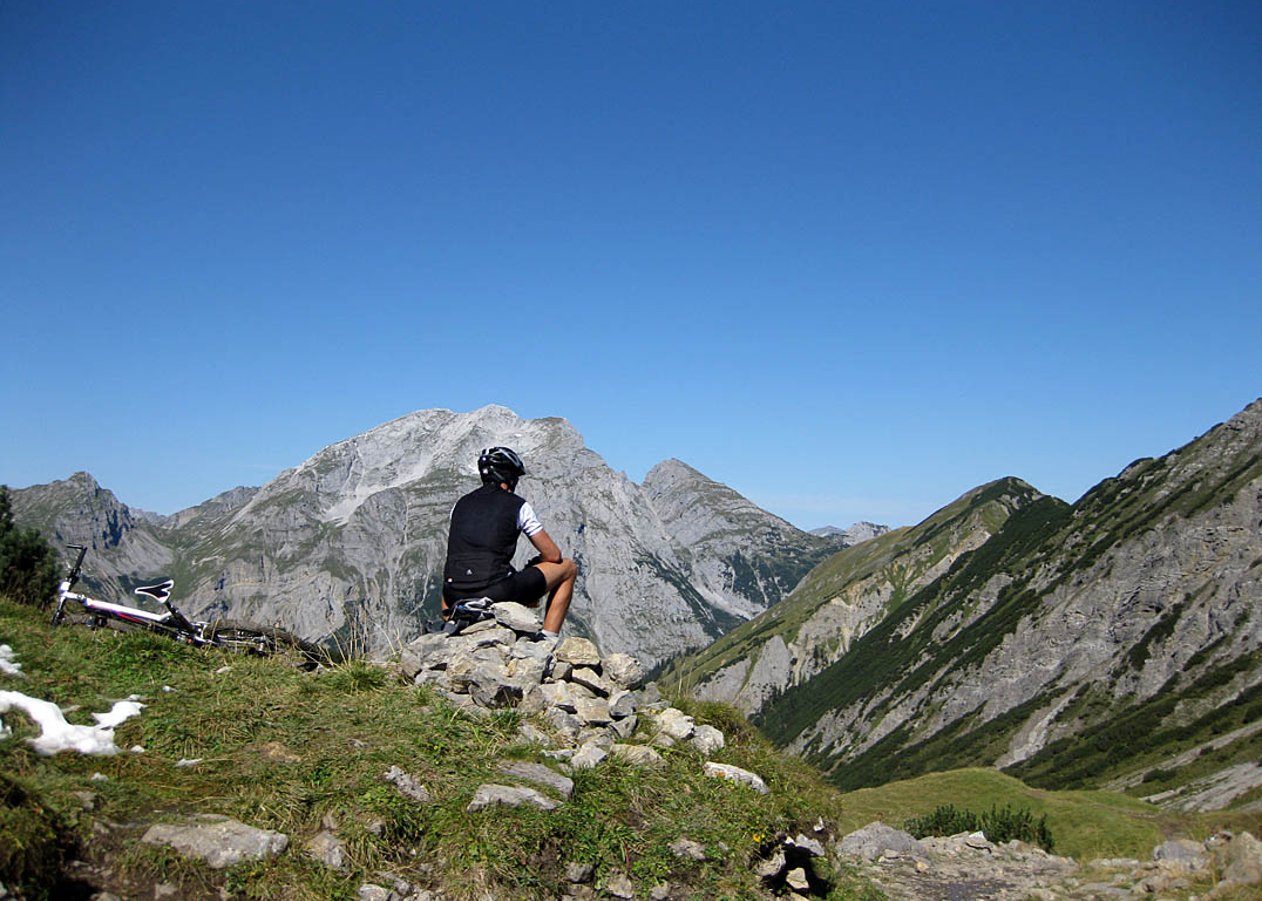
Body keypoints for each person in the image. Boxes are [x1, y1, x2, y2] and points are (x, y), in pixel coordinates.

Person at [441, 446, 578, 638]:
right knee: (568, 567)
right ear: (509, 477)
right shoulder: (517, 505)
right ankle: (548, 639)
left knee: (454, 575)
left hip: (452, 594)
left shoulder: (459, 505)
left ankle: (452, 626)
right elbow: (553, 555)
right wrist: (537, 563)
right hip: (496, 590)